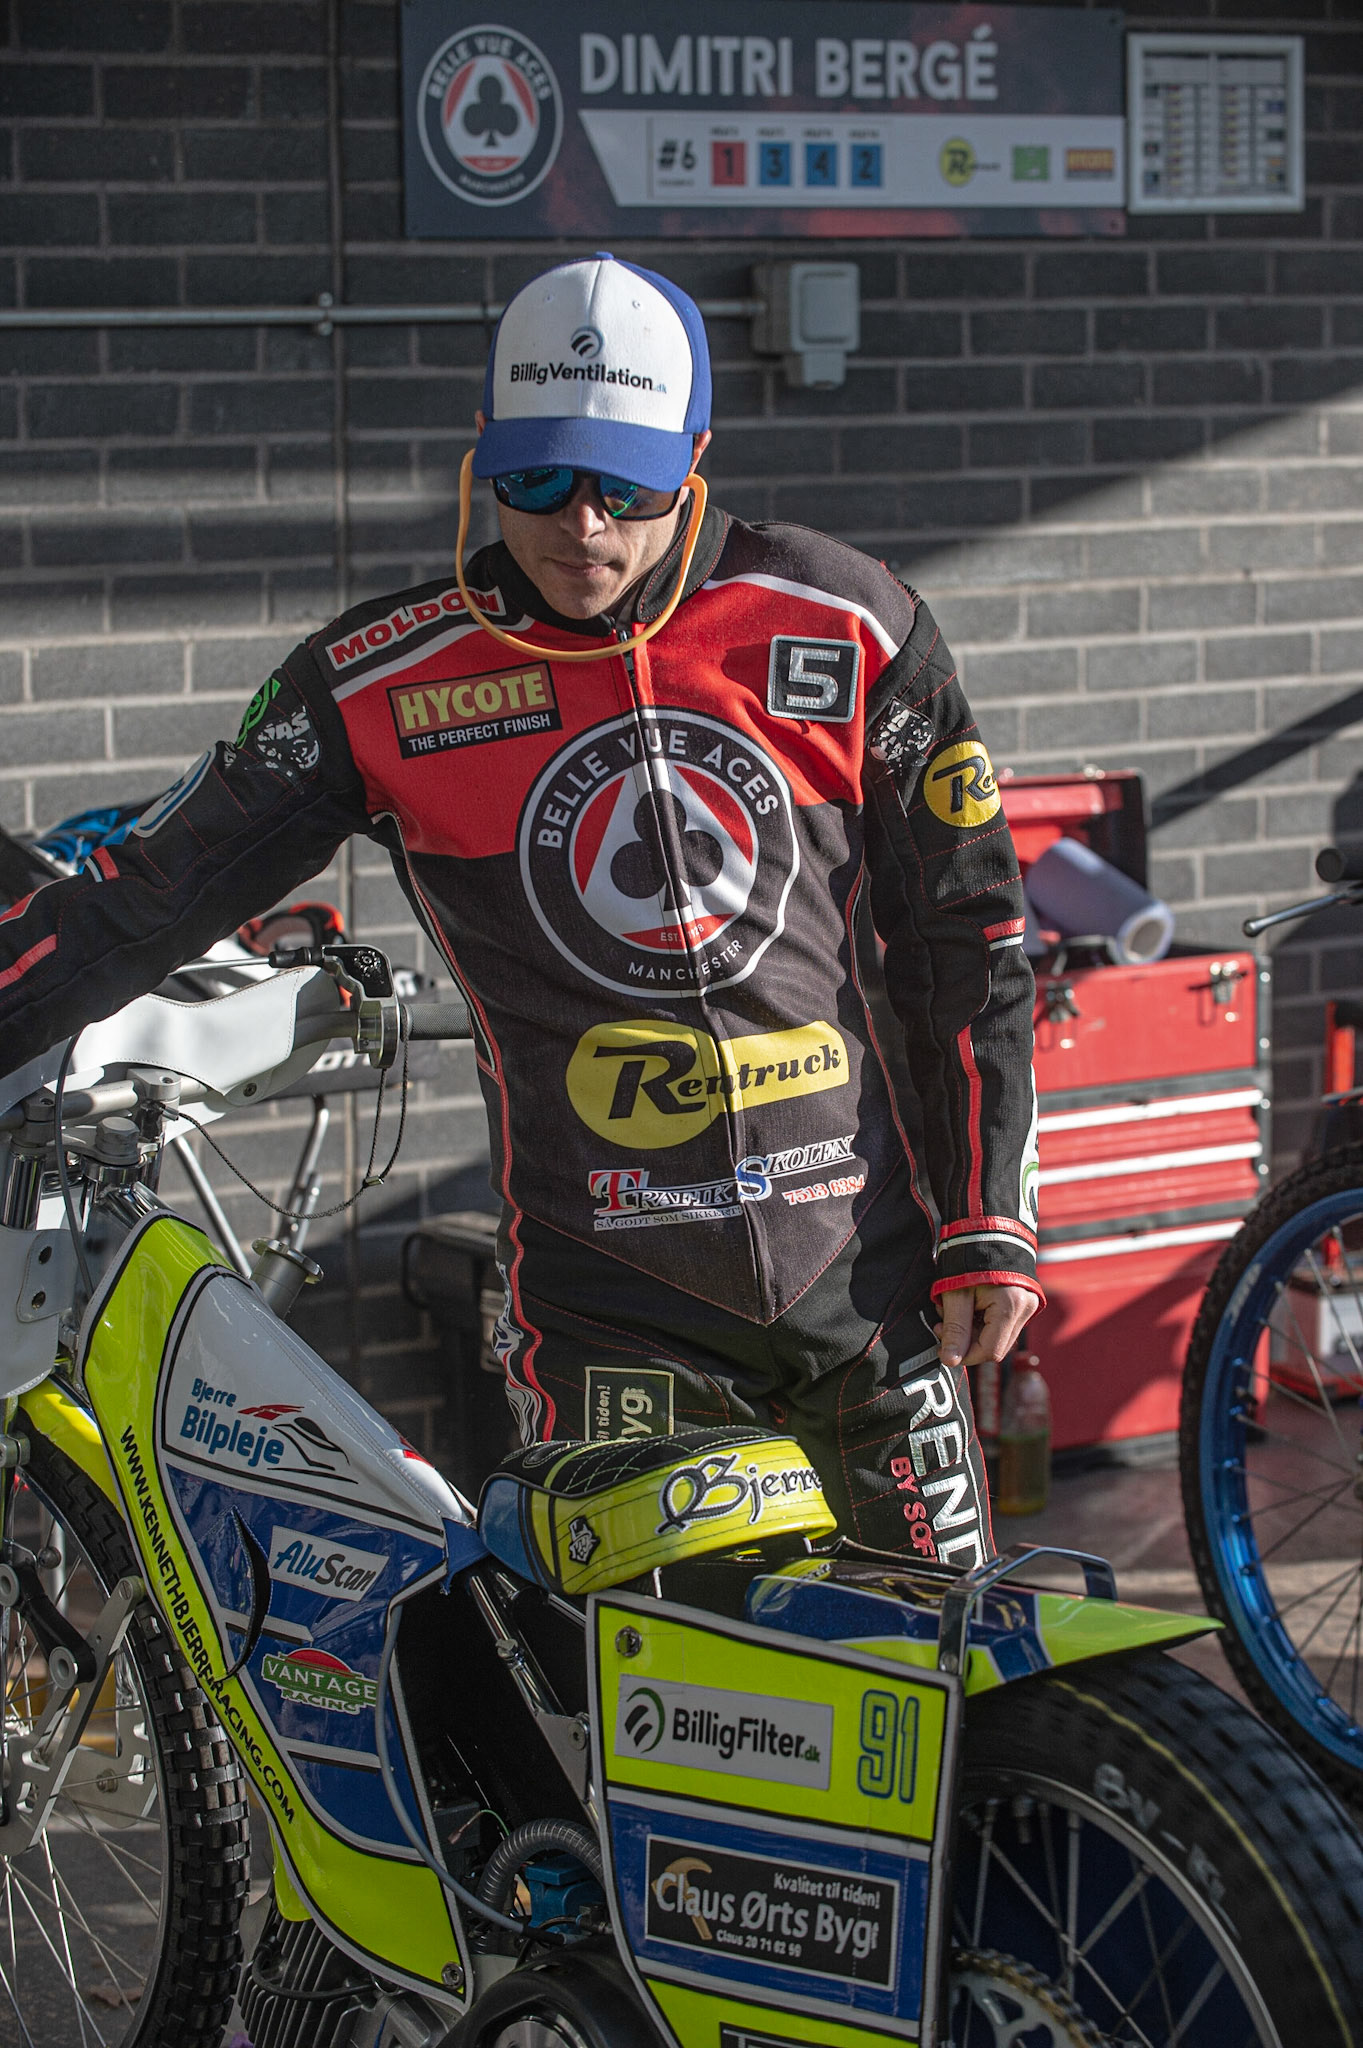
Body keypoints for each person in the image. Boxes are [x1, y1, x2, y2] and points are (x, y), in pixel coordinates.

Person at [0, 254, 1038, 1559]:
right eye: (540, 479)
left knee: (956, 1706)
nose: (584, 528)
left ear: (696, 455)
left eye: (627, 485)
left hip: (872, 1288)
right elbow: (139, 897)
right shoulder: (379, 683)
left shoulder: (850, 624)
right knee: (660, 1734)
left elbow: (973, 943)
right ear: (484, 457)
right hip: (615, 1313)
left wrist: (985, 1221)